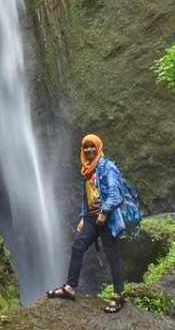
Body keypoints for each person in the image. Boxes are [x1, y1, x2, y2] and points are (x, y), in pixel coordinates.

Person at [46, 133, 126, 313]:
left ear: (98, 148)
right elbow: (87, 196)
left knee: (112, 255)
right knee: (78, 246)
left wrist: (104, 213)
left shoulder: (107, 167)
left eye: (92, 147)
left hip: (107, 219)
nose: (89, 150)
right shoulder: (88, 169)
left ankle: (119, 296)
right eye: (86, 147)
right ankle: (70, 288)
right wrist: (83, 216)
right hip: (92, 218)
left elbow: (115, 195)